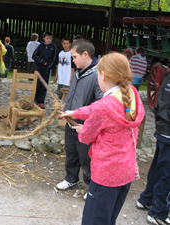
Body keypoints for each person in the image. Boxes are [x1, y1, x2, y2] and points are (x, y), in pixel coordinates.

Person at [60, 52, 145, 225]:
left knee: (94, 220)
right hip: (125, 171)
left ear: (103, 75)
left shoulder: (104, 106)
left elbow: (87, 136)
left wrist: (81, 129)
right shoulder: (132, 94)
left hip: (106, 174)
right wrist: (75, 112)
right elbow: (98, 111)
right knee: (109, 218)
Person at [56, 39, 103, 196]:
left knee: (86, 156)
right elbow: (71, 94)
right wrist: (65, 108)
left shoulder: (98, 75)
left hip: (85, 124)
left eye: (75, 57)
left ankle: (91, 186)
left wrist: (89, 124)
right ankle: (71, 178)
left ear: (85, 54)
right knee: (71, 152)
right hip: (71, 120)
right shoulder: (78, 72)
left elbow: (101, 104)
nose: (73, 60)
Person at [136, 75, 170, 225]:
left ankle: (146, 199)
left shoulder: (168, 78)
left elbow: (159, 102)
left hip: (163, 127)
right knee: (166, 174)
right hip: (168, 130)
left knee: (158, 168)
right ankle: (158, 212)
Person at [32, 31, 57, 109]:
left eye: (50, 39)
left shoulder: (53, 47)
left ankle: (41, 101)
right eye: (47, 38)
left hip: (47, 70)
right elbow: (34, 56)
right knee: (37, 84)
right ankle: (35, 99)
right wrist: (41, 61)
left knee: (44, 85)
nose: (48, 40)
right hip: (39, 68)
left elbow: (54, 58)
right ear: (44, 38)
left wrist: (48, 67)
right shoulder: (40, 46)